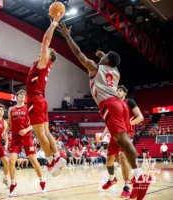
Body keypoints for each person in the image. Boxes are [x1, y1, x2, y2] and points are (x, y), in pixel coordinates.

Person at [58, 22, 150, 199]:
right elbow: (109, 61)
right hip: (119, 105)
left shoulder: (95, 67)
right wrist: (104, 55)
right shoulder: (116, 73)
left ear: (106, 61)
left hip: (110, 105)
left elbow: (79, 54)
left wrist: (67, 36)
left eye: (104, 57)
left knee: (123, 141)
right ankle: (125, 178)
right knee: (121, 144)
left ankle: (139, 175)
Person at [26, 12, 66, 177]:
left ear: (49, 56)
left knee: (39, 133)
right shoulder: (44, 65)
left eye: (47, 51)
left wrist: (54, 24)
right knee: (46, 132)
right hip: (41, 99)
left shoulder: (43, 62)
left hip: (35, 100)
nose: (44, 50)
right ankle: (57, 156)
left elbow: (45, 41)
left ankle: (50, 160)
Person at [100, 85, 144, 197]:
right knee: (109, 160)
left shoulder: (130, 102)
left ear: (124, 93)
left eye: (120, 90)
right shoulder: (113, 103)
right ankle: (112, 179)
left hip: (127, 133)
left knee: (122, 157)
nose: (118, 92)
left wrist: (128, 124)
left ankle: (126, 186)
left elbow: (140, 117)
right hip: (115, 134)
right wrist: (104, 133)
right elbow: (110, 121)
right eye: (117, 90)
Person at [6, 90, 46, 196]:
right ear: (17, 97)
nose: (22, 97)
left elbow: (34, 123)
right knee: (11, 160)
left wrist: (26, 130)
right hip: (15, 138)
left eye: (24, 96)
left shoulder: (29, 107)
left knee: (33, 159)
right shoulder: (11, 109)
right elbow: (9, 124)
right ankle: (13, 183)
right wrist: (5, 132)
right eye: (20, 95)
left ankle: (42, 180)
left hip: (27, 137)